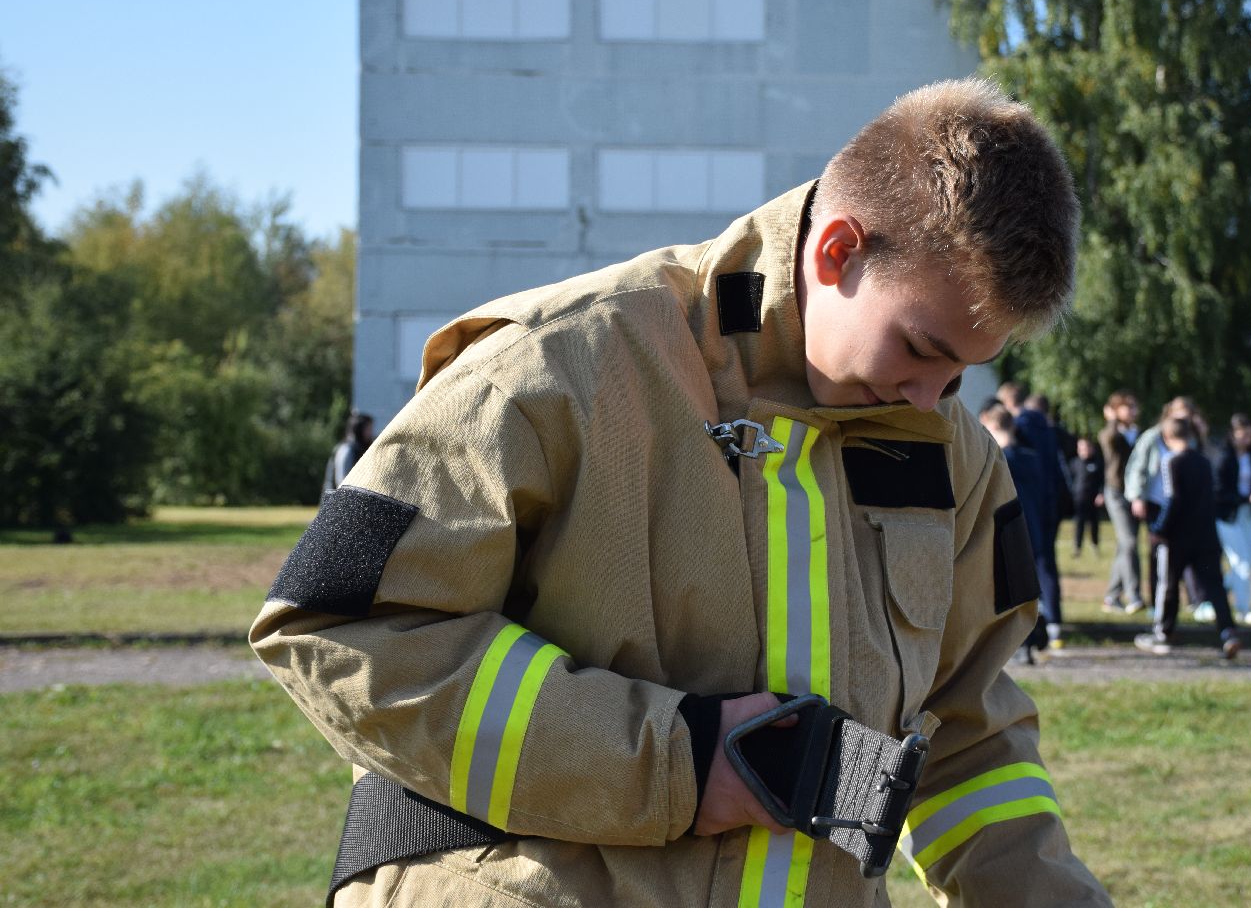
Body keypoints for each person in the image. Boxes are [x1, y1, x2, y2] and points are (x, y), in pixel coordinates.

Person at [250, 79, 1112, 906]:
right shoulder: (560, 364)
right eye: (921, 349)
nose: (932, 400)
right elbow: (339, 625)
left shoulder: (953, 459)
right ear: (837, 251)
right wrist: (678, 764)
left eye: (963, 371)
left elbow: (971, 746)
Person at [1133, 417, 1240, 659]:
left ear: (1167, 437)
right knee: (1215, 586)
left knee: (1167, 584)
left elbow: (1172, 498)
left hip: (1177, 537)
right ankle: (1228, 632)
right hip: (1206, 534)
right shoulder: (1203, 461)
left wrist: (1159, 528)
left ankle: (1163, 632)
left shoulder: (1170, 461)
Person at [998, 383, 1070, 648]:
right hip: (1048, 500)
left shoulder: (1021, 430)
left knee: (1024, 565)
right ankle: (1054, 623)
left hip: (1028, 501)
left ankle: (1028, 627)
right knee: (1047, 562)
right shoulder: (1048, 429)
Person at [981, 402, 1051, 666]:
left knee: (1008, 591)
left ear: (993, 424)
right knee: (1028, 588)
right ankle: (1036, 627)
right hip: (1032, 527)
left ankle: (1021, 643)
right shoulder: (1031, 458)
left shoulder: (998, 458)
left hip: (1005, 529)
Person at [1126, 395, 1210, 614]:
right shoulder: (1152, 437)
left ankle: (1197, 601)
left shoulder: (1192, 439)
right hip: (1157, 503)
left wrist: (1202, 435)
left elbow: (1205, 463)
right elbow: (1137, 467)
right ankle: (1158, 603)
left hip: (1183, 504)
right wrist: (1137, 496)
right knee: (1159, 554)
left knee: (1189, 553)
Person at [1214, 413, 1251, 626]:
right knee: (1241, 562)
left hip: (1247, 514)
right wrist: (1246, 497)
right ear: (1233, 434)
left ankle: (1219, 592)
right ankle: (1243, 610)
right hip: (1227, 515)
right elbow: (1218, 491)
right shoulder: (1223, 456)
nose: (1247, 439)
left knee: (1249, 559)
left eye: (1250, 434)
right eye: (1243, 435)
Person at [1098, 391, 1146, 613]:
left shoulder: (1138, 433)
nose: (1133, 411)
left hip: (1133, 494)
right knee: (1129, 542)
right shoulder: (1112, 433)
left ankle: (1111, 596)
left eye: (1134, 407)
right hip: (1116, 492)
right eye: (1128, 407)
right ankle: (1134, 594)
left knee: (1124, 545)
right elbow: (1108, 442)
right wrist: (1112, 422)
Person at [321, 411, 374, 495]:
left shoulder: (360, 449)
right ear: (358, 429)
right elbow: (342, 483)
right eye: (368, 429)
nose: (371, 433)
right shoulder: (346, 450)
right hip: (338, 503)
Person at [1070, 436, 1104, 559]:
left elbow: (1102, 481)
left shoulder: (1097, 463)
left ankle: (1095, 547)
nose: (1084, 450)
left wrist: (1101, 494)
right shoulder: (1074, 463)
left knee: (1094, 524)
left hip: (1094, 500)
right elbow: (1070, 480)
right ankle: (1077, 548)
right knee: (1079, 524)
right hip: (1079, 500)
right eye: (1081, 447)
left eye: (1086, 447)